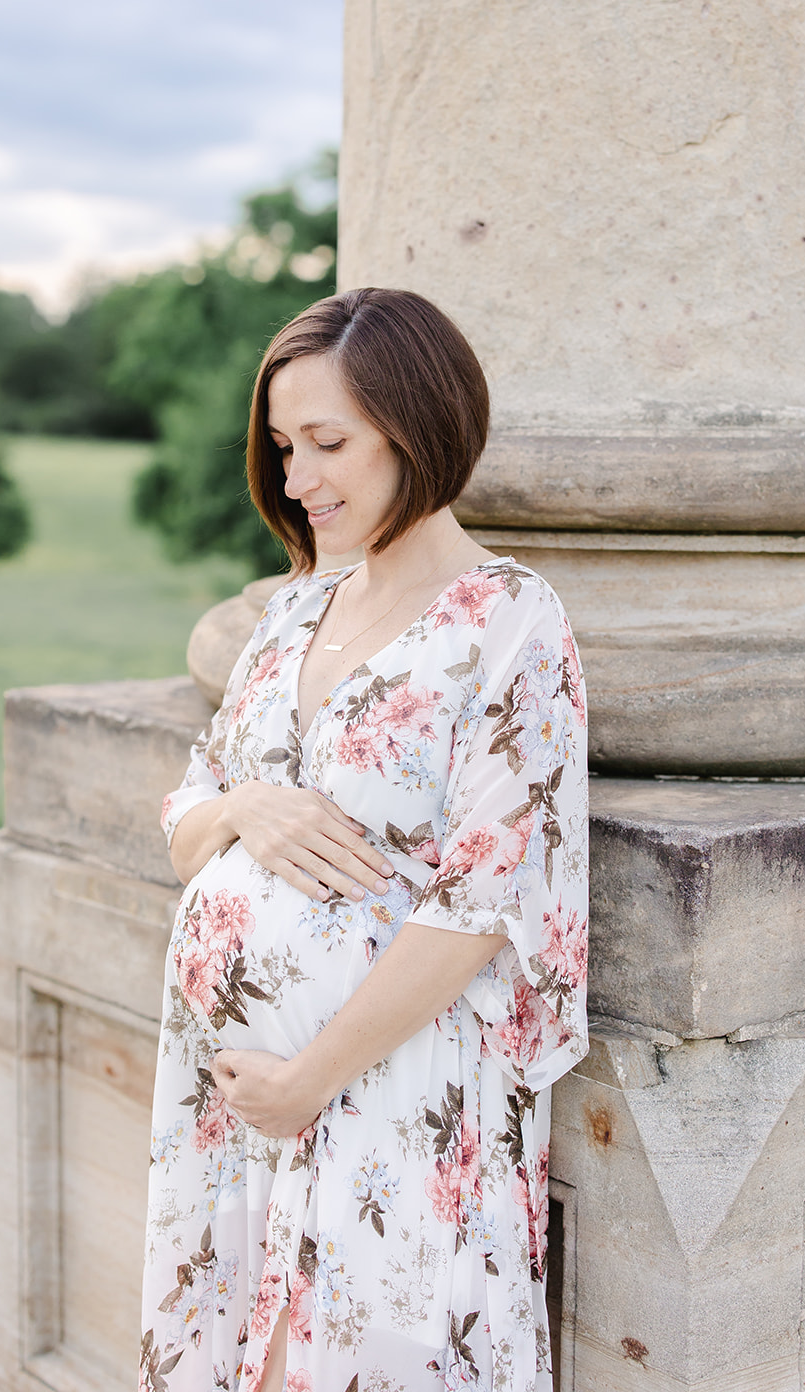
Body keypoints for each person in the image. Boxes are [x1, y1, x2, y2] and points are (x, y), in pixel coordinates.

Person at [140, 288, 588, 1392]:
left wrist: (308, 1079)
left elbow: (484, 903)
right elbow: (187, 817)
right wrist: (247, 805)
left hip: (384, 1093)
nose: (295, 480)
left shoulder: (509, 622)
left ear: (417, 424)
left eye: (327, 443)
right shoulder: (295, 609)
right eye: (285, 447)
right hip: (233, 1103)